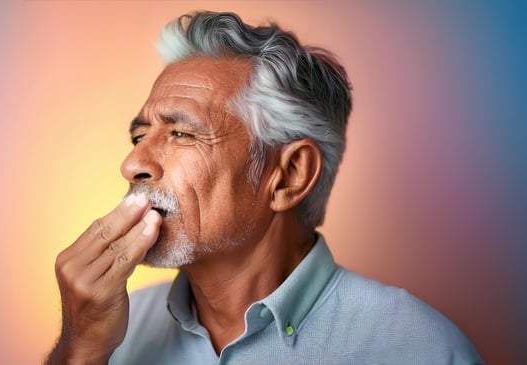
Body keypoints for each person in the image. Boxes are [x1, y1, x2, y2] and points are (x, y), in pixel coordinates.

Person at [46, 11, 483, 365]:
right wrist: (79, 351)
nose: (133, 164)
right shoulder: (106, 336)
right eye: (140, 135)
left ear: (289, 176)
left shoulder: (420, 351)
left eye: (183, 134)